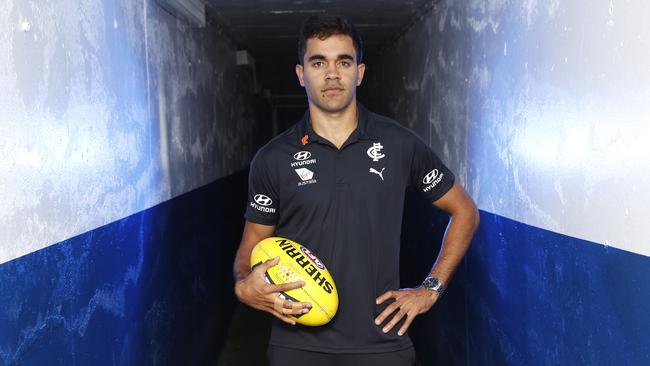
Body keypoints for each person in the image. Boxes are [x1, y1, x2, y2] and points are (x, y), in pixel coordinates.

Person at [233, 15, 479, 366]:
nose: (332, 74)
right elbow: (252, 241)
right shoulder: (272, 159)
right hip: (297, 345)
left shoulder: (399, 144)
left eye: (343, 61)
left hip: (382, 341)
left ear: (359, 72)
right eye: (318, 62)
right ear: (301, 74)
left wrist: (430, 289)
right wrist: (244, 285)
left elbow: (465, 211)